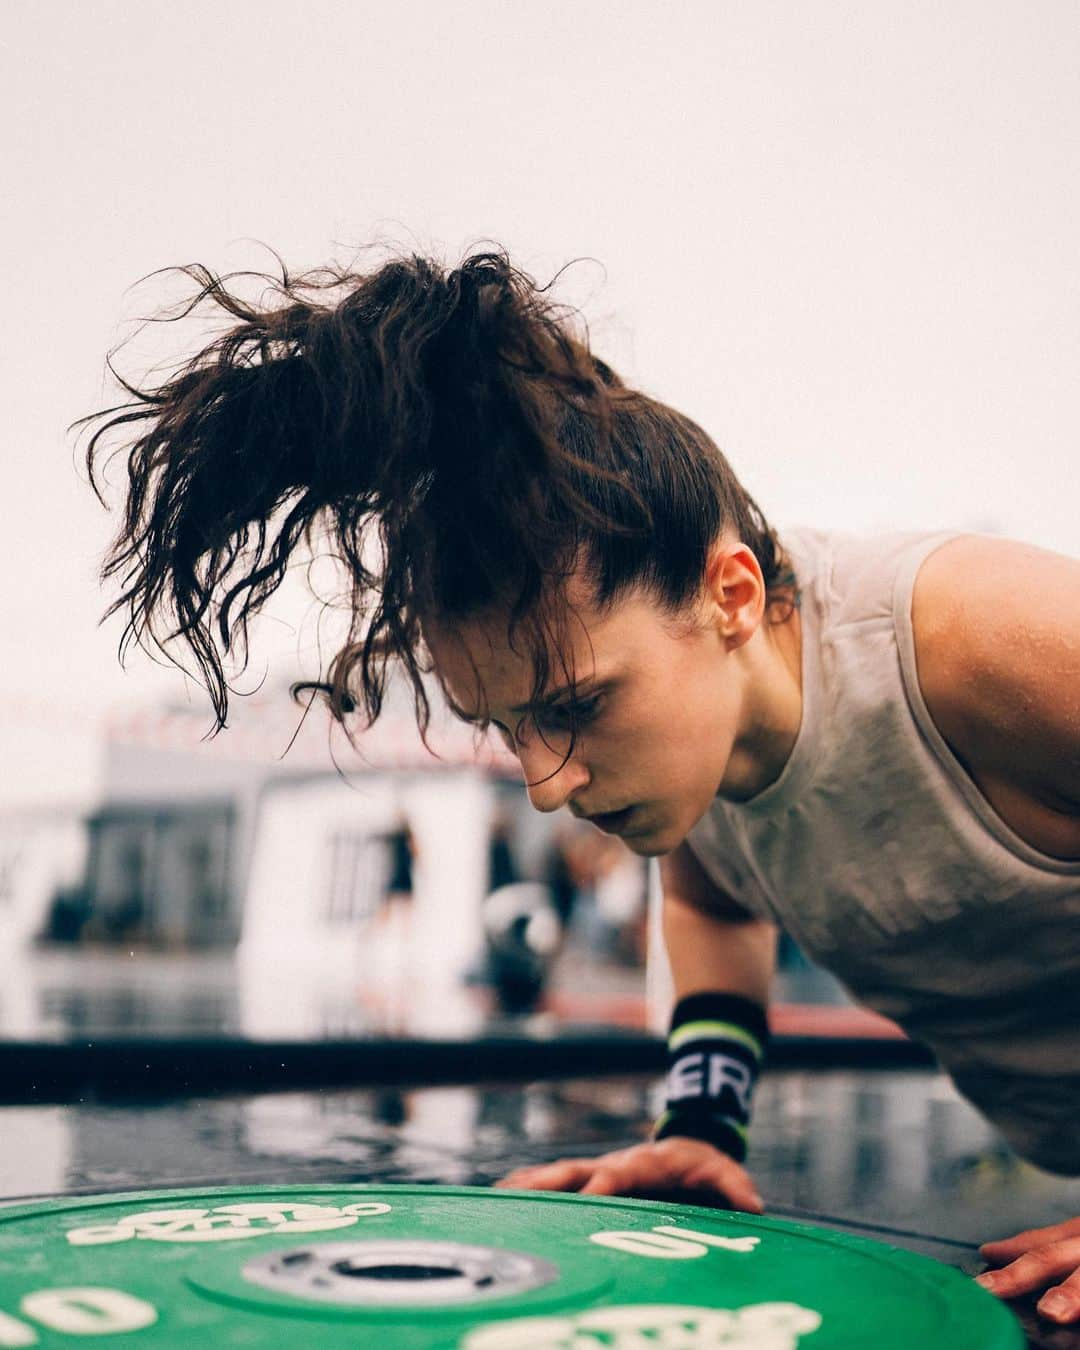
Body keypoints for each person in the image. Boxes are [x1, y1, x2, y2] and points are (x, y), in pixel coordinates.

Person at [80, 248, 1080, 1324]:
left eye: (575, 706)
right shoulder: (696, 760)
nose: (546, 787)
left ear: (730, 594)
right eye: (505, 728)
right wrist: (699, 1131)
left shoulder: (979, 636)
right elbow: (716, 900)